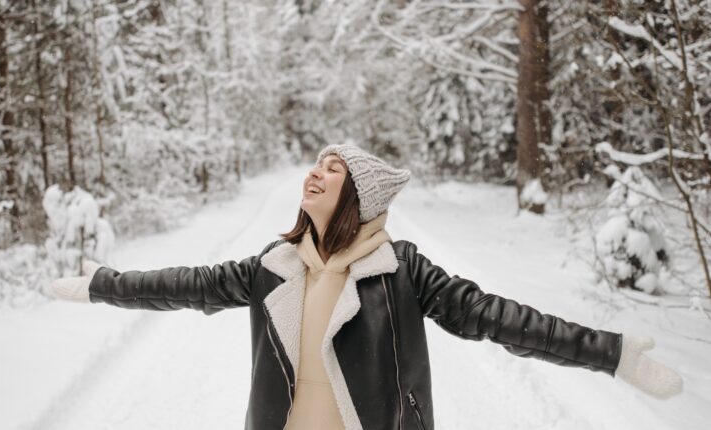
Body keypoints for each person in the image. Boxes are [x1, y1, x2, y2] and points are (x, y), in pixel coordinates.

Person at [48, 143, 683, 430]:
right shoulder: (274, 266)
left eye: (333, 168)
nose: (315, 174)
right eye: (316, 164)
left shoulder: (402, 270)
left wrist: (611, 353)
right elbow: (187, 283)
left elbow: (500, 317)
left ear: (360, 196)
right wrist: (105, 284)